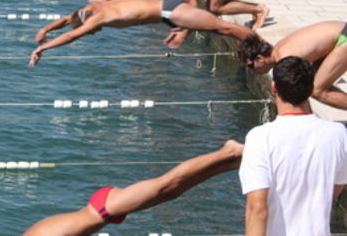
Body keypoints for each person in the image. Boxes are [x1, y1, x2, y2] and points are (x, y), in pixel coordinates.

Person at [22, 140, 243, 236]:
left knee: (167, 186)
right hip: (102, 208)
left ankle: (228, 152)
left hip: (105, 208)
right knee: (172, 191)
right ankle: (230, 162)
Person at [240, 56, 347, 236]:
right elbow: (335, 188)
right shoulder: (338, 134)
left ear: (274, 87)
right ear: (310, 89)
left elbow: (257, 209)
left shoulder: (259, 138)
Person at [29, 0, 254, 66]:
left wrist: (42, 48)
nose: (94, 33)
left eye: (90, 32)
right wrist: (45, 29)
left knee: (224, 28)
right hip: (167, 10)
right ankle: (258, 48)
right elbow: (69, 20)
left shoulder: (98, 17)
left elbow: (71, 34)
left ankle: (263, 48)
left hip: (169, 11)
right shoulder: (95, 7)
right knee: (222, 30)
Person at [238, 21, 347, 110]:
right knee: (314, 82)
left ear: (260, 59)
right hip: (341, 32)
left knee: (317, 91)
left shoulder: (284, 59)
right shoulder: (278, 49)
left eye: (251, 66)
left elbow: (299, 94)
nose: (251, 71)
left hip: (343, 38)